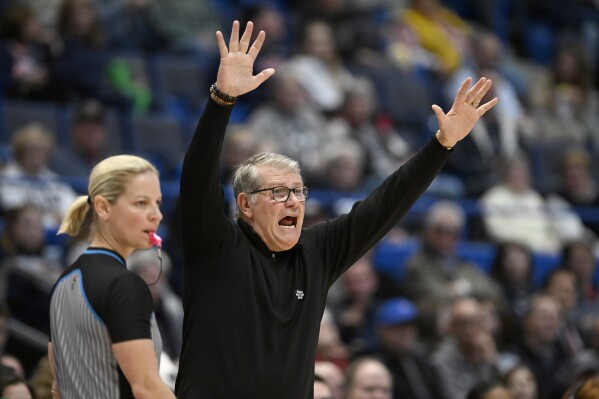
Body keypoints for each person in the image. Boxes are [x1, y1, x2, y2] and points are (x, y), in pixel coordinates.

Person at [174, 20, 498, 398]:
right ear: (245, 204)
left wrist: (441, 145)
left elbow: (384, 206)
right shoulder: (216, 244)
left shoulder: (316, 253)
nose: (294, 201)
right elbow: (196, 179)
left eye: (299, 192)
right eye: (279, 192)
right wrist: (221, 101)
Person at [48, 155, 176, 398]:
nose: (157, 215)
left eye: (158, 203)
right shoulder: (125, 286)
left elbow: (57, 388)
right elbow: (147, 388)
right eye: (141, 203)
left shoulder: (63, 280)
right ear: (103, 207)